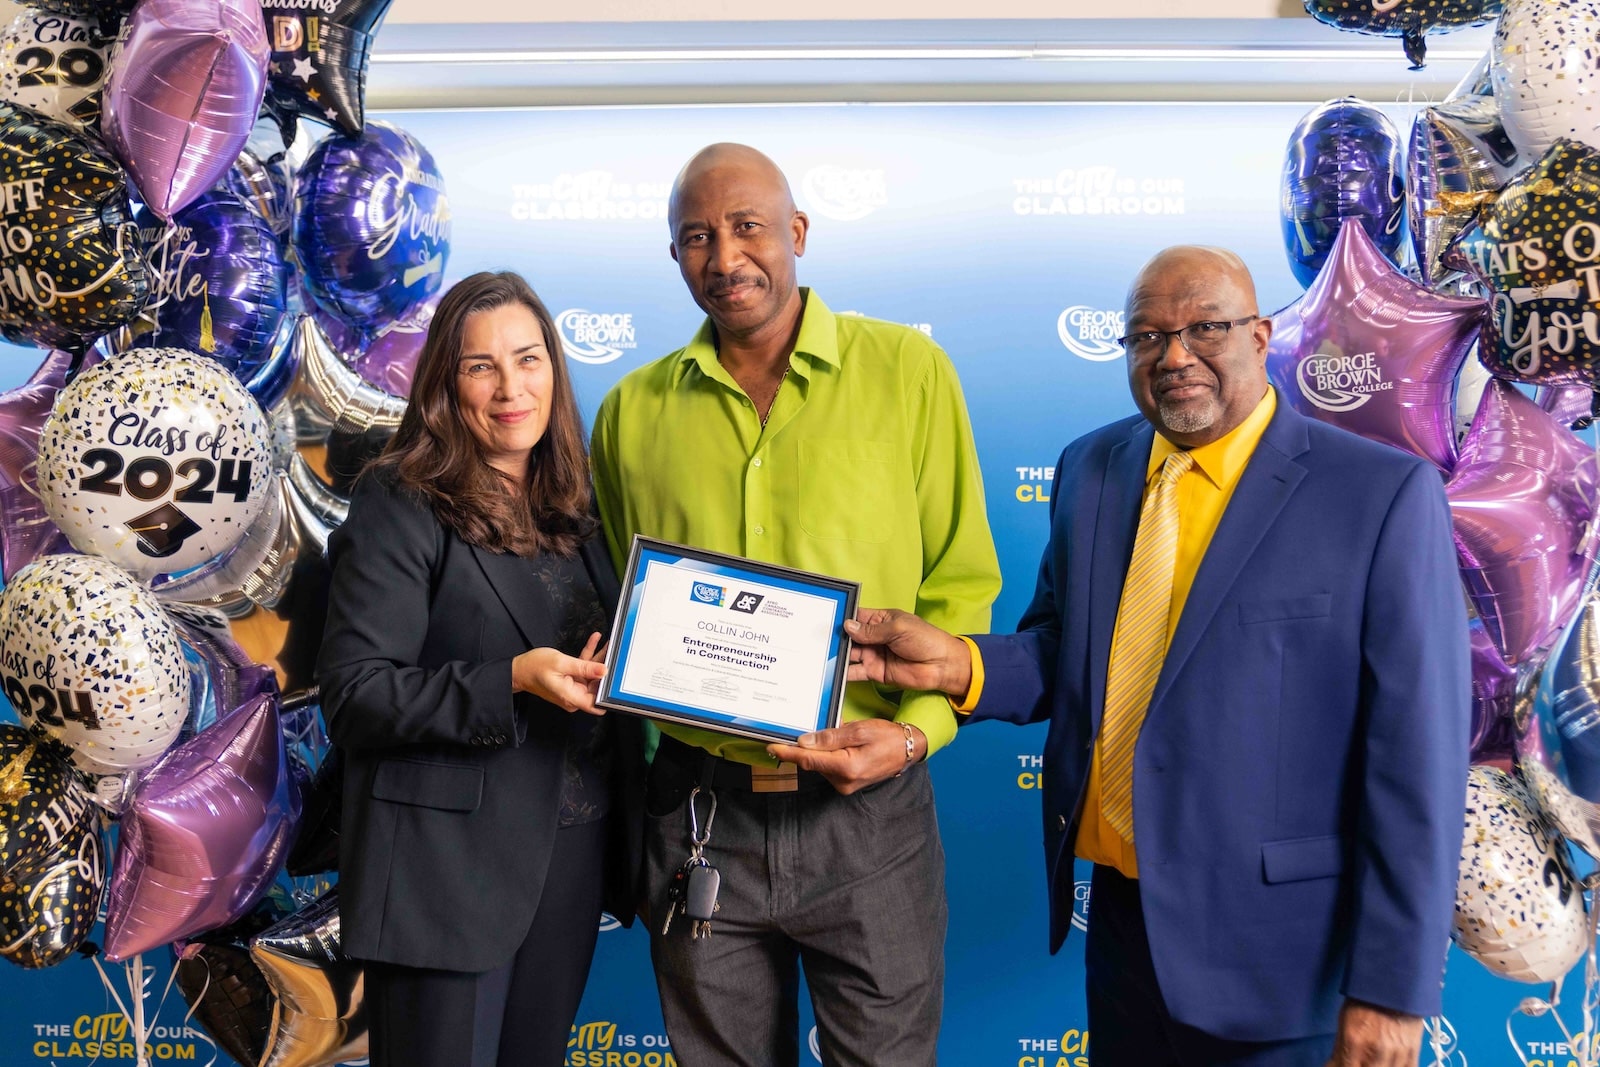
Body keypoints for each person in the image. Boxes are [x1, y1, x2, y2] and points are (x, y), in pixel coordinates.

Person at [819, 246, 1471, 1067]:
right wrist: (956, 663)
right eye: (1147, 336)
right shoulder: (1092, 467)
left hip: (1286, 959)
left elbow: (1418, 760)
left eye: (1206, 328)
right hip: (1125, 936)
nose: (1174, 356)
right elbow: (1066, 649)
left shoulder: (1378, 494)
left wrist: (1392, 988)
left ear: (1261, 335)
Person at [590, 142, 1000, 1066]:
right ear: (674, 254)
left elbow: (961, 584)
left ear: (798, 232)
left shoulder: (908, 371)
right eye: (698, 236)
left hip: (869, 807)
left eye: (748, 227)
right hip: (700, 811)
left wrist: (913, 735)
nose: (725, 257)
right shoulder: (628, 412)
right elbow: (625, 598)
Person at [317, 271, 646, 1067]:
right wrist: (512, 680)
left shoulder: (576, 503)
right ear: (445, 382)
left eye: (528, 359)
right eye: (480, 366)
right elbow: (356, 693)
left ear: (554, 368)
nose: (510, 388)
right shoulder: (402, 499)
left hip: (570, 858)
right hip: (444, 873)